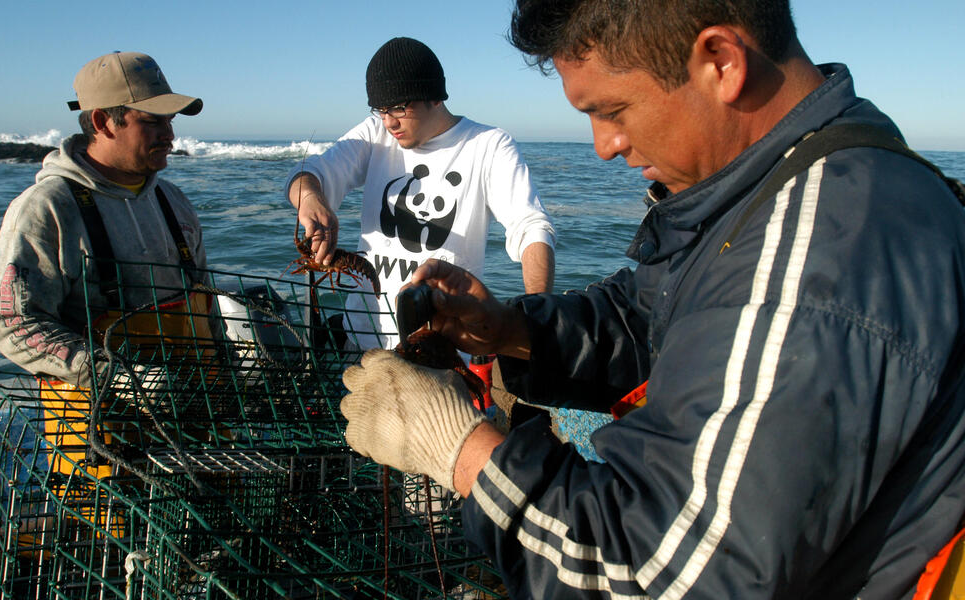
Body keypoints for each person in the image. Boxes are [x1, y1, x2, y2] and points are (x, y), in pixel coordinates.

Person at [339, 1, 965, 598]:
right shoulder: (773, 187)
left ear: (720, 60)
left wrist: (458, 449)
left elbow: (654, 578)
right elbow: (649, 315)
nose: (603, 145)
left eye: (612, 110)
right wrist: (508, 329)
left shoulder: (825, 252)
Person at [284, 36, 556, 350]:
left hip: (440, 350)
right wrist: (310, 199)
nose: (389, 122)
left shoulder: (488, 145)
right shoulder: (374, 134)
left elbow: (531, 227)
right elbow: (308, 173)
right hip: (362, 342)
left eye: (399, 107)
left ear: (435, 97)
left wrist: (536, 319)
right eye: (380, 110)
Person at [0, 51, 206, 387]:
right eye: (152, 121)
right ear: (102, 122)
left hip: (198, 406)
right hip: (99, 423)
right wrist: (111, 374)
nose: (170, 135)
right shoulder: (46, 209)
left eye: (171, 120)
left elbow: (205, 296)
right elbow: (16, 326)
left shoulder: (174, 201)